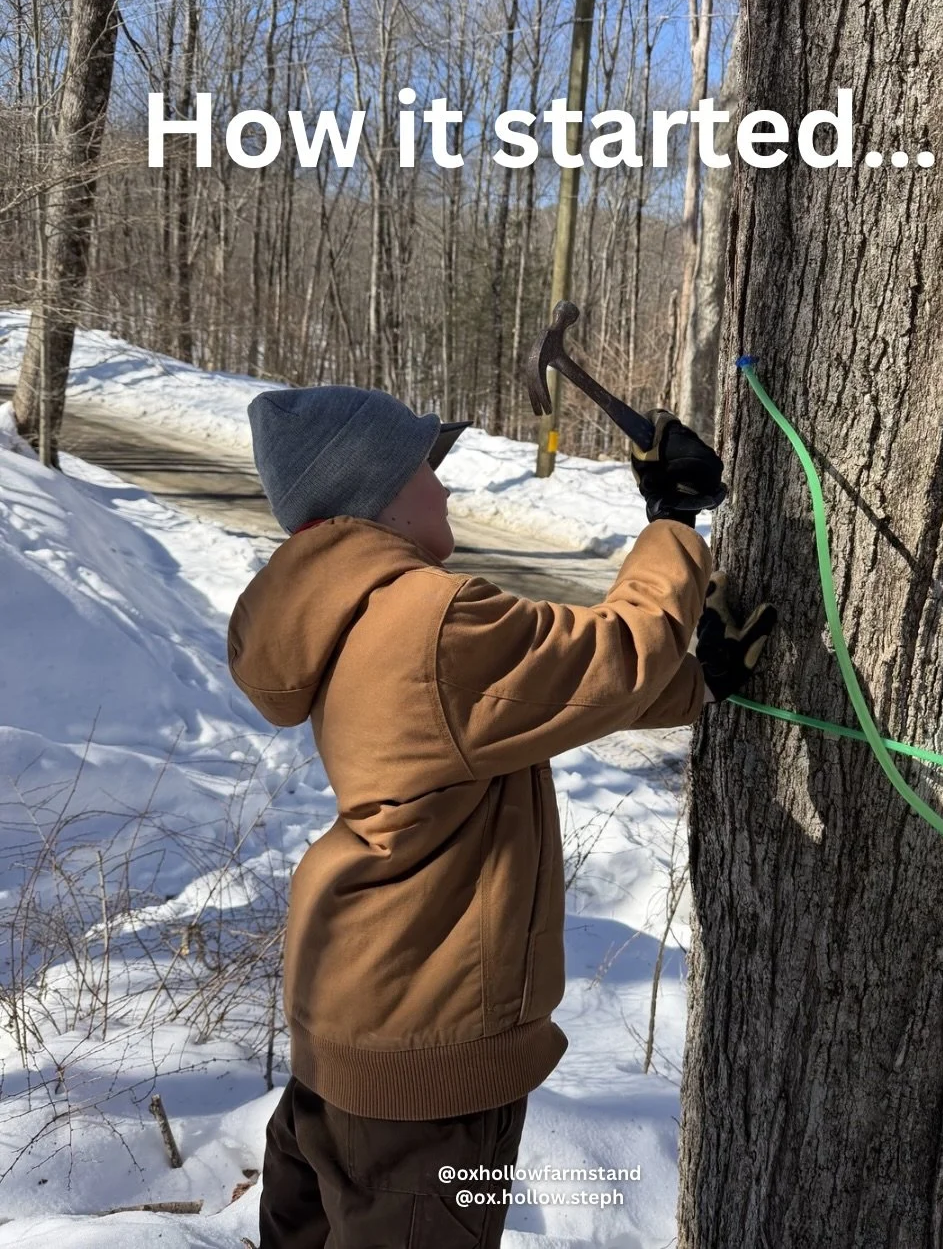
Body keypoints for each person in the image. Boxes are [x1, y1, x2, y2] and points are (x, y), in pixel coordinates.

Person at [227, 385, 775, 1249]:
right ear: (375, 495)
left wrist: (704, 679)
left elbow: (546, 693)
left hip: (348, 1035)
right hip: (425, 1072)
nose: (442, 488)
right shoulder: (428, 619)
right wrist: (674, 518)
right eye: (425, 467)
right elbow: (614, 655)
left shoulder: (346, 619)